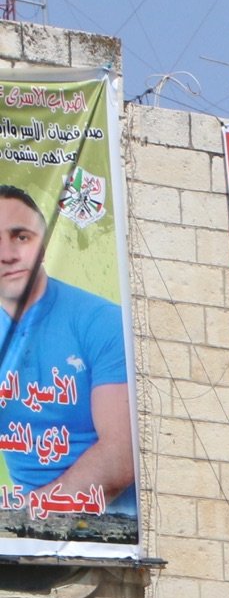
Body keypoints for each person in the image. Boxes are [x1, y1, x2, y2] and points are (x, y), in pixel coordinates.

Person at [0, 184, 134, 516]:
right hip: (16, 545)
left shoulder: (100, 321)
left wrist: (29, 512)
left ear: (44, 245)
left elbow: (120, 459)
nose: (7, 254)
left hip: (107, 540)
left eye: (21, 237)